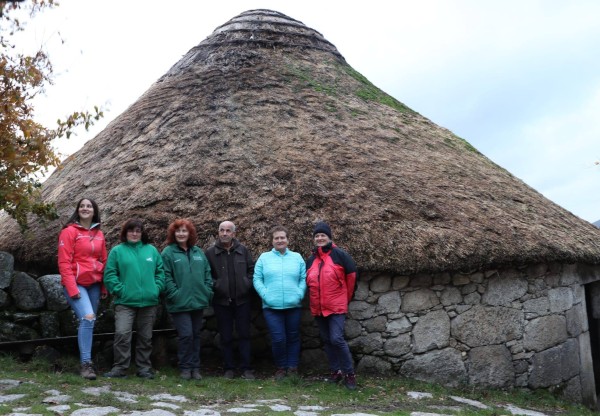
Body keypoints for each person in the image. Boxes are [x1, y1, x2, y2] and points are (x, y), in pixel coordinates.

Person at [103, 219, 165, 379]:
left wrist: (156, 289)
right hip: (125, 302)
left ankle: (144, 368)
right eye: (131, 231)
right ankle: (120, 368)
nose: (135, 233)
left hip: (149, 302)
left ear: (142, 233)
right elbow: (110, 275)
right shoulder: (117, 251)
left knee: (146, 337)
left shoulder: (151, 250)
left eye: (138, 230)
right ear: (125, 233)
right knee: (122, 334)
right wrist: (121, 291)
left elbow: (160, 273)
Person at [57, 198, 108, 380]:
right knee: (88, 317)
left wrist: (103, 286)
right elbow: (64, 262)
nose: (85, 208)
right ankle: (86, 364)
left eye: (89, 206)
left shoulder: (99, 234)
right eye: (82, 206)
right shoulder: (69, 232)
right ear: (77, 210)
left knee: (90, 323)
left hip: (94, 284)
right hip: (76, 283)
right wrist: (72, 288)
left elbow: (103, 261)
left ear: (94, 211)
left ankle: (88, 361)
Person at [306, 221, 358, 390]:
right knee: (327, 340)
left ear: (329, 237)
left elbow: (351, 278)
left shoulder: (340, 255)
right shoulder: (311, 259)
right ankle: (335, 371)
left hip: (336, 306)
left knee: (336, 338)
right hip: (318, 307)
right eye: (317, 236)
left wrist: (344, 299)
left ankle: (349, 374)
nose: (320, 238)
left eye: (323, 235)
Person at [162, 219, 213, 380]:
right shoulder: (168, 253)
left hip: (197, 301)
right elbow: (165, 276)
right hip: (179, 303)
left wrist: (207, 291)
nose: (181, 234)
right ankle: (185, 367)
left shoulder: (198, 252)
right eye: (178, 231)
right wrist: (174, 294)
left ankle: (195, 368)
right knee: (186, 335)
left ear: (190, 233)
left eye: (184, 231)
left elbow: (207, 273)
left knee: (196, 335)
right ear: (173, 234)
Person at [253, 225, 306, 379]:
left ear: (288, 240)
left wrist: (299, 293)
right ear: (272, 241)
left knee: (293, 337)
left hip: (293, 305)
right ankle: (281, 367)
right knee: (278, 338)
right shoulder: (264, 258)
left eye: (282, 237)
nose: (280, 240)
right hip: (271, 306)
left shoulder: (297, 258)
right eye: (276, 238)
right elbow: (257, 278)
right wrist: (265, 294)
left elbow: (303, 278)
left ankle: (293, 367)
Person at [205, 221, 255, 379]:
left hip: (242, 301)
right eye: (222, 230)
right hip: (221, 302)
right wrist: (217, 286)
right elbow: (207, 275)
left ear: (234, 234)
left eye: (228, 231)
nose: (224, 233)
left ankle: (246, 368)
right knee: (225, 336)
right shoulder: (210, 253)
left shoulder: (243, 250)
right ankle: (228, 368)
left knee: (244, 335)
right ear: (218, 232)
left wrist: (247, 284)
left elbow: (251, 270)